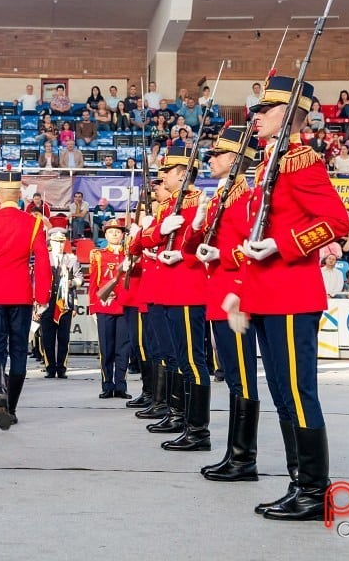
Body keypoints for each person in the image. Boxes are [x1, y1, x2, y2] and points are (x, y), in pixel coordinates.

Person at [230, 76, 349, 521]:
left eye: (265, 110)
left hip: (292, 296)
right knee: (283, 393)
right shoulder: (270, 164)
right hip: (267, 296)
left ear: (289, 116)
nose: (254, 116)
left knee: (299, 394)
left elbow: (336, 221)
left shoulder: (300, 161)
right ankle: (298, 481)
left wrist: (285, 244)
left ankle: (315, 490)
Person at [190, 127, 261, 481]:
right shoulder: (223, 198)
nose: (211, 160)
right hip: (219, 292)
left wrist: (225, 254)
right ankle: (234, 453)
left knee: (243, 378)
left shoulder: (245, 199)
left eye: (216, 155)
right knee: (232, 377)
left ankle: (244, 458)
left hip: (236, 293)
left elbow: (252, 246)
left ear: (234, 160)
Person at [127, 150, 210, 452]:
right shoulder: (168, 205)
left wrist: (183, 249)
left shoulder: (199, 202)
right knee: (176, 359)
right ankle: (184, 420)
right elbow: (142, 241)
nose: (162, 176)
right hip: (166, 291)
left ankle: (197, 429)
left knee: (191, 362)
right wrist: (158, 231)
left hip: (187, 289)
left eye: (168, 170)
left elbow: (201, 243)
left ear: (184, 172)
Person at [0, 169, 51, 430]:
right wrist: (43, 297)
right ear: (21, 194)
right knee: (18, 351)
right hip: (21, 295)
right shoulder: (34, 223)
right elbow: (43, 262)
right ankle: (11, 407)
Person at [88, 219, 132, 399]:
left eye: (118, 231)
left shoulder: (128, 255)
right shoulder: (98, 255)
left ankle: (121, 385)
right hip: (105, 307)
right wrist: (93, 306)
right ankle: (107, 385)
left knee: (123, 349)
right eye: (111, 231)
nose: (114, 234)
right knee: (106, 348)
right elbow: (93, 283)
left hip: (123, 307)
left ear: (123, 235)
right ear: (105, 235)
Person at [40, 228, 83, 378]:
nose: (59, 244)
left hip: (65, 303)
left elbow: (80, 279)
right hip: (47, 303)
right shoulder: (44, 258)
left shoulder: (71, 259)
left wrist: (70, 282)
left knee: (64, 338)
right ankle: (50, 368)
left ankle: (62, 367)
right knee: (47, 338)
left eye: (61, 242)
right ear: (50, 242)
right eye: (56, 241)